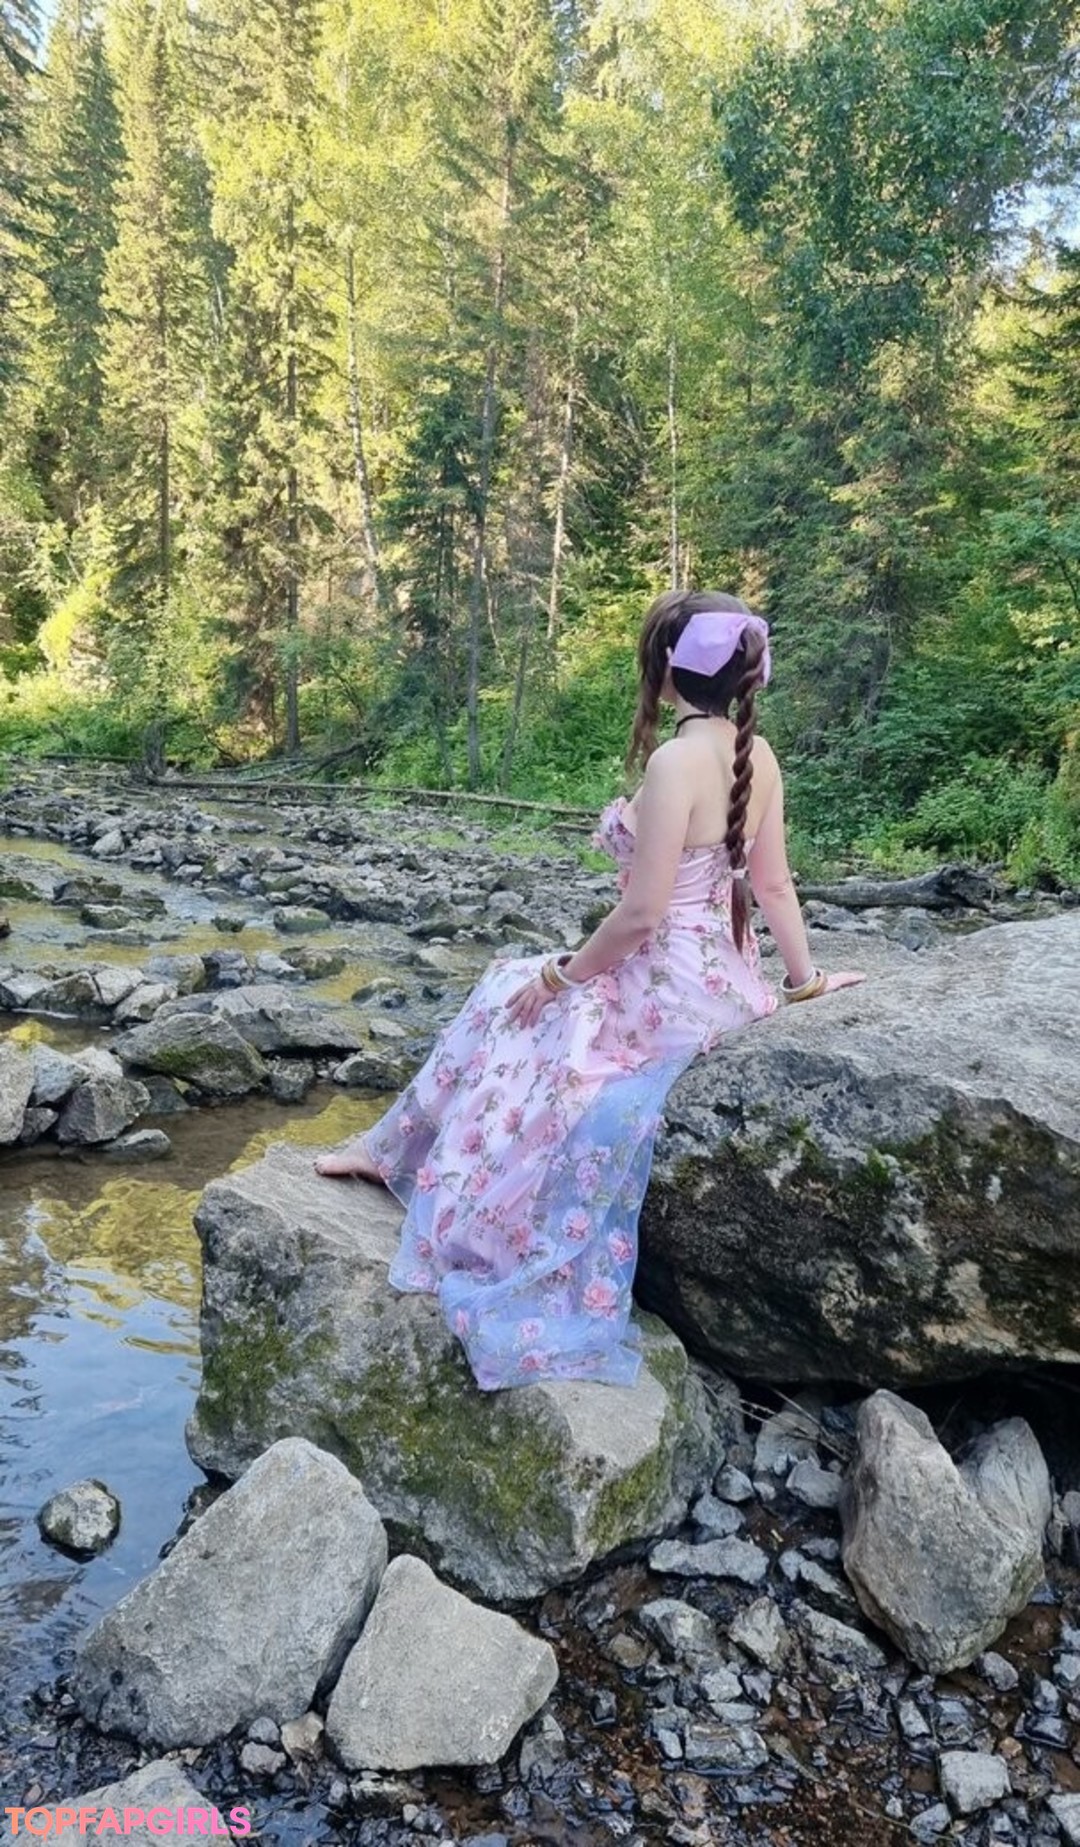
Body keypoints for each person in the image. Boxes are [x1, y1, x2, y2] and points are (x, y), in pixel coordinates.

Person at [314, 589, 864, 1390]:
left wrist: (560, 975)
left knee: (509, 989)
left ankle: (392, 1151)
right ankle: (391, 1149)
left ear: (668, 669)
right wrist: (805, 983)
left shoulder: (674, 763)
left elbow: (641, 915)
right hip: (727, 984)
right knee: (526, 994)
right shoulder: (761, 755)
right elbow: (774, 885)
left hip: (665, 989)